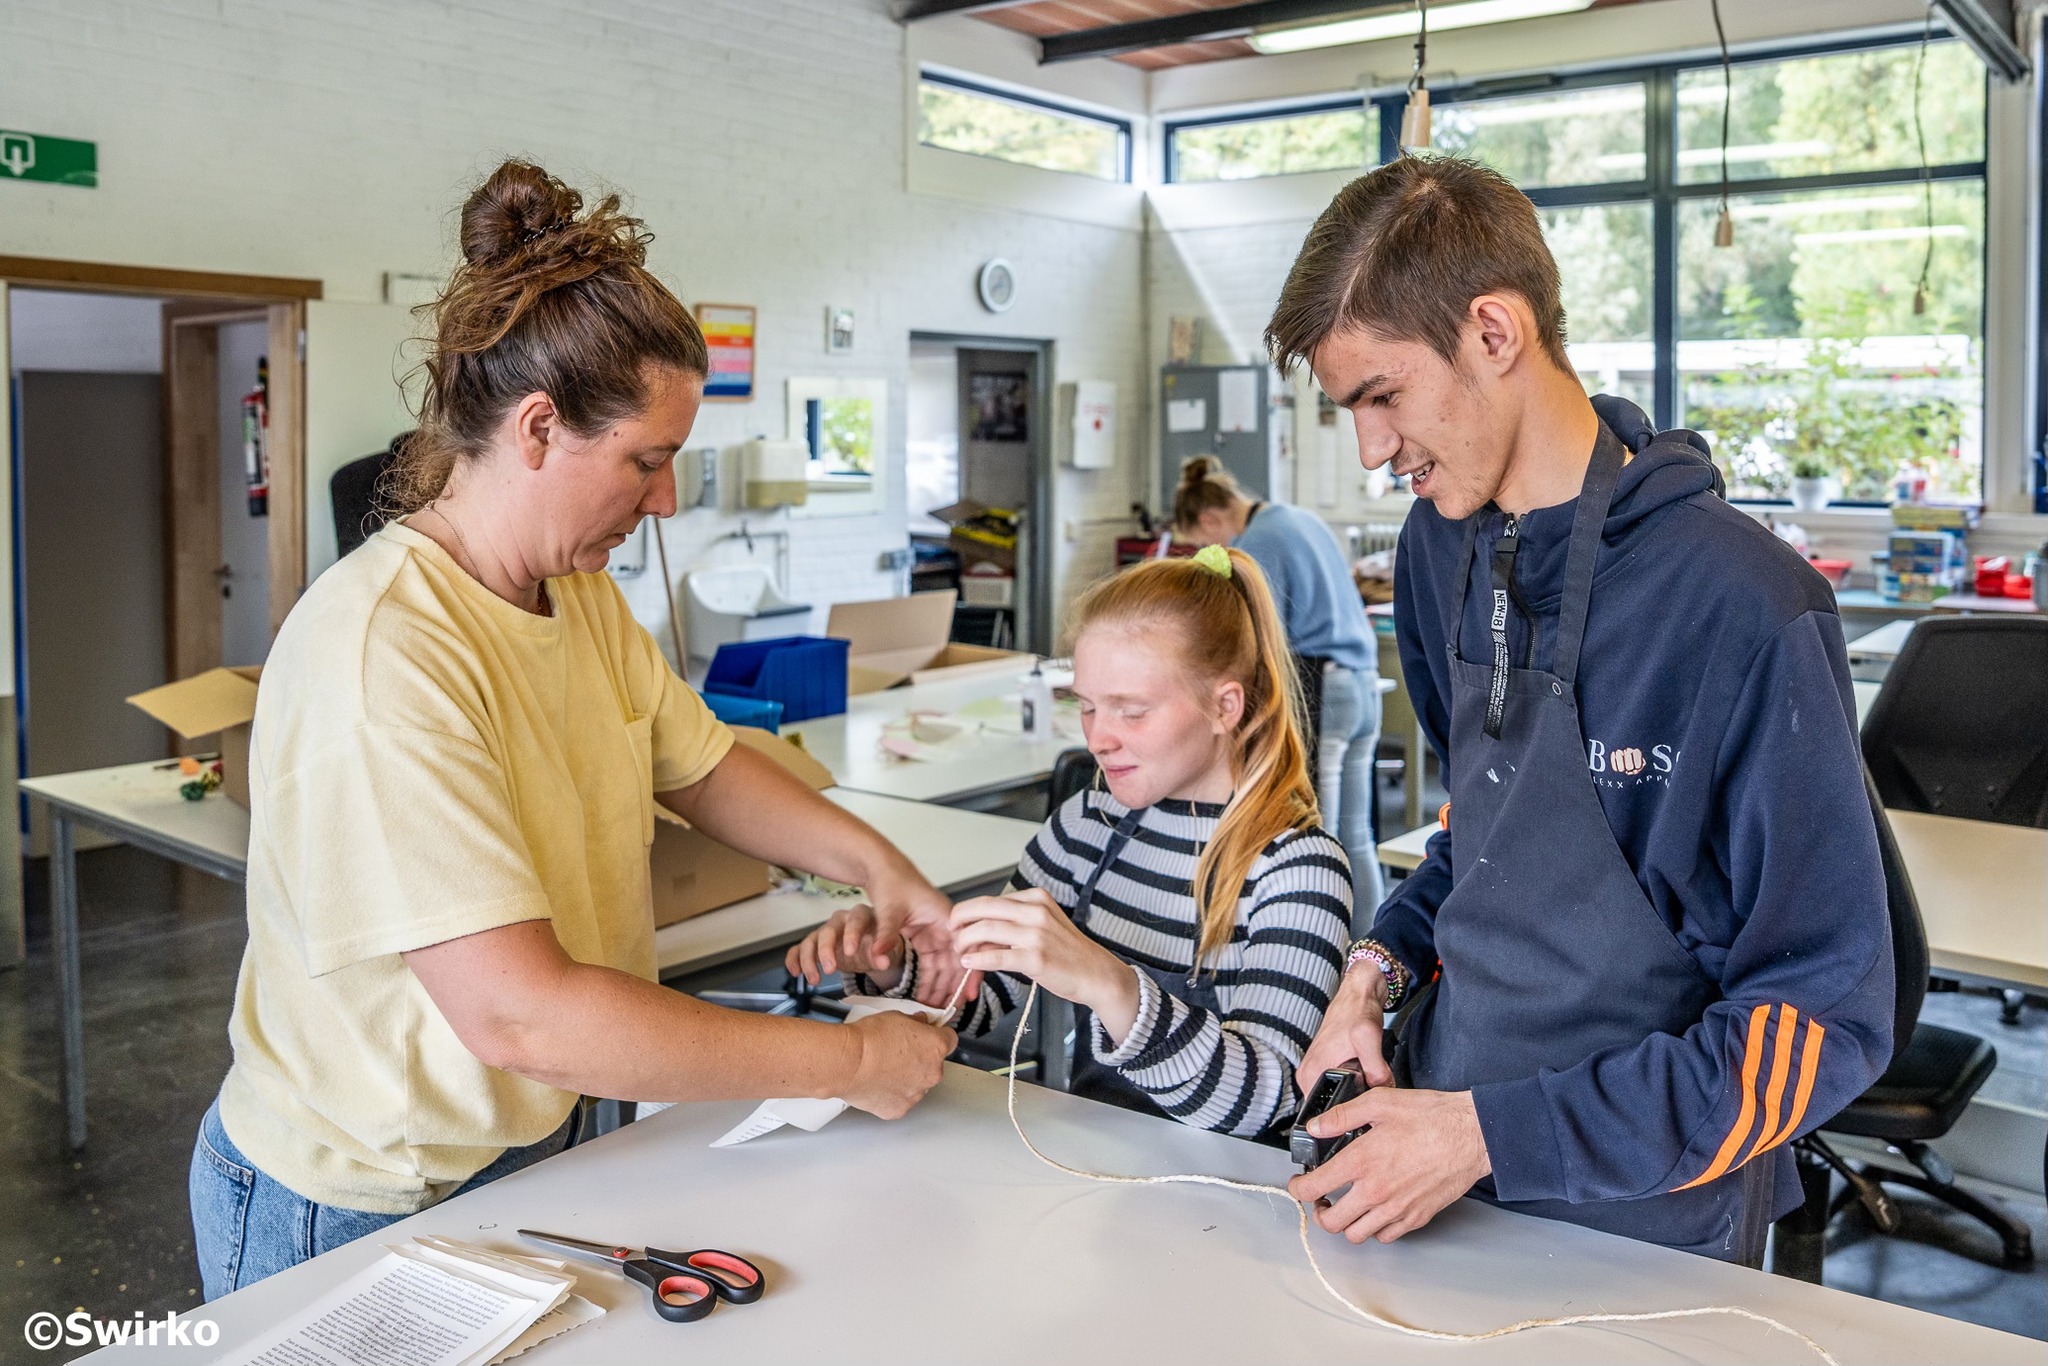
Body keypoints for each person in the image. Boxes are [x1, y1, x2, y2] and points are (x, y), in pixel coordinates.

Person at [189, 160, 957, 1298]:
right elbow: (522, 1013)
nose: (666, 501)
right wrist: (848, 1059)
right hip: (359, 1193)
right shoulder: (385, 649)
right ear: (539, 427)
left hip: (526, 1147)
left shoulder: (577, 597)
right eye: (647, 461)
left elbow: (702, 767)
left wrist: (881, 870)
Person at [1269, 157, 1892, 1264]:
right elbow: (1481, 838)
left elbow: (1818, 1021)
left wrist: (1488, 1136)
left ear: (1493, 332)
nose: (1370, 450)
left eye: (1382, 397)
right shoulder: (1436, 551)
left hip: (1643, 1212)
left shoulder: (1744, 605)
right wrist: (1373, 973)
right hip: (1431, 1163)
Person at [788, 547, 1352, 1138]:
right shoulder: (1087, 825)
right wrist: (894, 966)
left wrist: (1109, 984)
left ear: (1224, 706)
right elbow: (979, 1003)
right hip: (1095, 1157)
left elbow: (1268, 1101)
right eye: (1086, 707)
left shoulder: (1299, 868)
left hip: (1231, 1183)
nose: (1098, 738)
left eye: (1131, 712)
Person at [1173, 456, 1386, 927]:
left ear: (1209, 519)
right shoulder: (1296, 517)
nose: (1211, 550)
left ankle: (1325, 949)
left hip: (1325, 689)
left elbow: (1261, 638)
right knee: (1356, 836)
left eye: (1202, 541)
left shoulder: (1258, 542)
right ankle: (1369, 947)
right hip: (1362, 682)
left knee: (1320, 838)